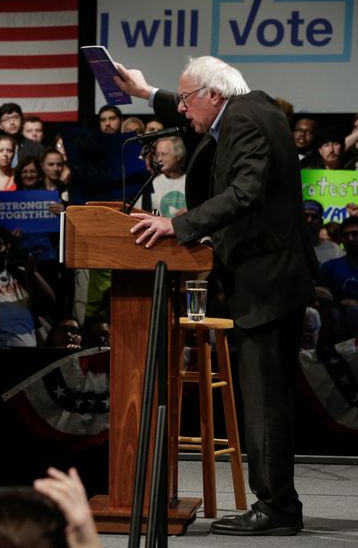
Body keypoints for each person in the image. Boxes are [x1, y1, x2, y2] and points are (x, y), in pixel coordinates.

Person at [116, 55, 316, 535]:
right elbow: (190, 115)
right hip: (268, 277)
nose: (182, 111)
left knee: (265, 401)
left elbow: (246, 192)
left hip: (269, 281)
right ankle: (277, 502)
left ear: (213, 94)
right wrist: (147, 93)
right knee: (265, 398)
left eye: (186, 100)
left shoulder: (245, 119)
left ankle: (277, 508)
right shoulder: (249, 109)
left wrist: (178, 224)